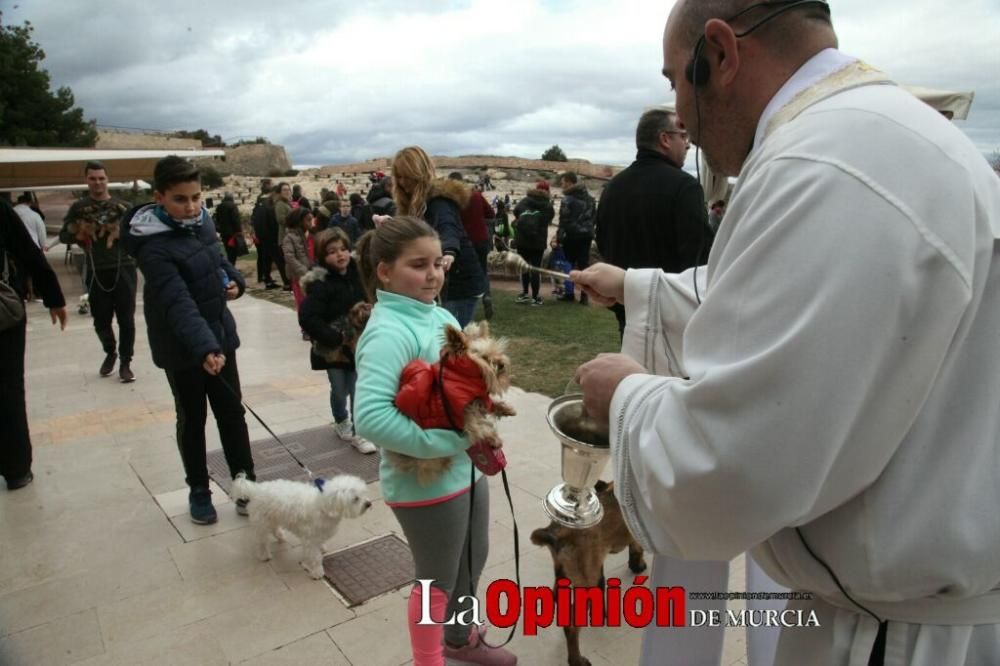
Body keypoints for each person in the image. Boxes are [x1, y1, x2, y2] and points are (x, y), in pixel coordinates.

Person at [572, 1, 1000, 665]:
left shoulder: (822, 164)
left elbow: (729, 468)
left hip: (891, 637)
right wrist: (635, 285)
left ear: (719, 53)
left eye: (674, 81)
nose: (679, 114)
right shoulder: (862, 138)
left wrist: (627, 395)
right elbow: (766, 303)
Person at [353, 215, 516, 666]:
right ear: (384, 271)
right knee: (436, 582)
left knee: (472, 560)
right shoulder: (388, 331)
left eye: (437, 263)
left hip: (464, 470)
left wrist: (480, 425)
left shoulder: (439, 314)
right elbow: (369, 417)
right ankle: (430, 659)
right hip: (423, 483)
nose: (433, 274)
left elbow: (461, 385)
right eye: (417, 265)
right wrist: (450, 443)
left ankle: (460, 639)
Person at [125, 156, 256, 525]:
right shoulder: (151, 245)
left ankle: (246, 484)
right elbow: (177, 301)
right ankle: (199, 489)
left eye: (197, 197)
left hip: (218, 334)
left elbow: (218, 260)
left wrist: (235, 282)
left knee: (233, 413)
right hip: (183, 346)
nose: (191, 206)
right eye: (181, 199)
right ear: (160, 198)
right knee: (193, 417)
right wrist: (204, 348)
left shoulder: (202, 222)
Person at [595, 106, 712, 338]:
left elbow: (603, 243)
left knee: (636, 372)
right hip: (673, 313)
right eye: (683, 136)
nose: (688, 144)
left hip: (628, 308)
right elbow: (700, 259)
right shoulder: (684, 187)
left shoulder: (613, 187)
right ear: (665, 139)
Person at [1, 199, 67, 490]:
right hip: (5, 315)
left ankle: (16, 466)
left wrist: (53, 295)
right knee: (8, 388)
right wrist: (53, 296)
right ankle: (16, 468)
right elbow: (28, 252)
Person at [298, 228, 376, 454]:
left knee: (357, 387)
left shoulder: (358, 273)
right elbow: (308, 316)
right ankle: (341, 419)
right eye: (332, 252)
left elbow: (370, 295)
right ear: (323, 256)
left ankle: (358, 432)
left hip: (358, 344)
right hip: (334, 348)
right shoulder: (321, 284)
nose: (340, 255)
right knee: (339, 389)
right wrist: (331, 336)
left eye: (343, 249)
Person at [390, 147, 487, 328]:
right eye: (399, 177)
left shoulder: (439, 202)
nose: (403, 182)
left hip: (459, 285)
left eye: (407, 176)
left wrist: (449, 252)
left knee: (448, 343)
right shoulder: (411, 205)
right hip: (442, 282)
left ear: (419, 172)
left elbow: (448, 228)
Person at [63, 161, 138, 382]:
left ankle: (126, 361)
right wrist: (78, 233)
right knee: (100, 319)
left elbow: (137, 234)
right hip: (96, 269)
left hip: (123, 267)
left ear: (107, 179)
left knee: (127, 319)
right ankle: (110, 352)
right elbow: (65, 235)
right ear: (87, 180)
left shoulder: (123, 206)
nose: (98, 183)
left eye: (101, 178)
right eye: (93, 178)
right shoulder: (78, 208)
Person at [448, 172, 496, 318]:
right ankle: (486, 296)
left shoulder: (451, 199)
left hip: (462, 240)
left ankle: (461, 305)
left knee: (460, 274)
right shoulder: (475, 195)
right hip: (481, 238)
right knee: (482, 270)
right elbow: (491, 213)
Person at [511, 180, 556, 306]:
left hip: (522, 240)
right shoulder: (547, 205)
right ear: (547, 191)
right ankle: (535, 297)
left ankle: (525, 293)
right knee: (535, 269)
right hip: (538, 242)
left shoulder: (525, 200)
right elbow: (548, 219)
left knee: (524, 267)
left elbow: (515, 211)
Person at [555, 172, 595, 305]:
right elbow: (593, 218)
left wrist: (559, 237)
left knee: (569, 264)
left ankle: (569, 293)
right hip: (587, 235)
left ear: (569, 182)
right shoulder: (590, 198)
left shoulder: (567, 199)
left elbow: (563, 220)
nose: (561, 185)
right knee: (584, 265)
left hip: (572, 235)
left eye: (563, 182)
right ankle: (585, 296)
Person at [281, 206, 313, 311]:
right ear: (299, 221)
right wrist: (302, 270)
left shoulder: (307, 236)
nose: (311, 223)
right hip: (298, 276)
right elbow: (289, 257)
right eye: (308, 220)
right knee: (302, 303)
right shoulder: (289, 237)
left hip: (309, 274)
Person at [214, 192, 243, 265]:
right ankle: (231, 266)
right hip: (232, 233)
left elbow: (217, 219)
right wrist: (239, 231)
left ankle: (230, 266)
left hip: (223, 232)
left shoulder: (219, 206)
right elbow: (235, 219)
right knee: (233, 251)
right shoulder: (233, 206)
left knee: (228, 250)